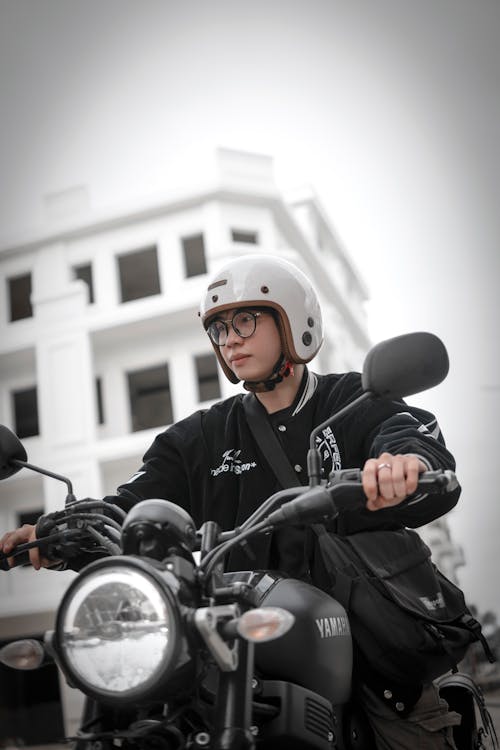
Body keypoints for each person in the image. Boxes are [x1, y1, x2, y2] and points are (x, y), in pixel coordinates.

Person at [0, 254, 462, 748]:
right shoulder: (200, 437)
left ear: (292, 322)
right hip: (234, 643)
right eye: (219, 328)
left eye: (245, 319)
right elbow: (131, 505)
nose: (231, 338)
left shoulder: (351, 401)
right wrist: (57, 533)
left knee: (409, 731)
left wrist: (399, 464)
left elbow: (408, 435)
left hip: (359, 645)